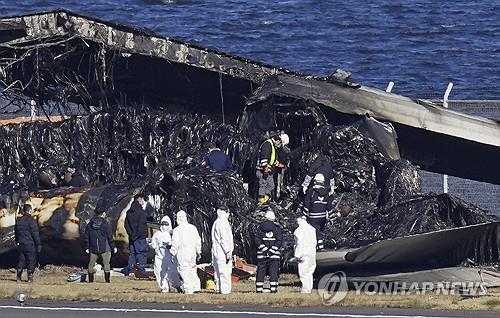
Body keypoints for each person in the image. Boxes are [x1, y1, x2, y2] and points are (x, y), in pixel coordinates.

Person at [171, 210, 202, 294]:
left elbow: (175, 243)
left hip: (183, 253)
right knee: (192, 270)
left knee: (184, 270)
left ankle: (188, 289)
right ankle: (196, 287)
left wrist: (172, 253)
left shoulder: (177, 230)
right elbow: (198, 240)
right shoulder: (192, 228)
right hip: (192, 253)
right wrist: (198, 251)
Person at [83, 209, 117, 283]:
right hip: (105, 248)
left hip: (93, 248)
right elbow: (109, 236)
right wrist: (113, 247)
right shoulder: (105, 223)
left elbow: (86, 237)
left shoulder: (90, 224)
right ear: (102, 214)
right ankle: (107, 280)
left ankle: (91, 280)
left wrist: (87, 247)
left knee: (91, 265)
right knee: (106, 264)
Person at [149, 215, 181, 293]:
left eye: (166, 224)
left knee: (172, 273)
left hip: (169, 257)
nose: (164, 226)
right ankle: (164, 288)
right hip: (159, 257)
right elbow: (153, 245)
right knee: (159, 273)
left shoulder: (173, 234)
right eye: (163, 224)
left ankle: (178, 286)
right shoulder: (157, 234)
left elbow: (176, 244)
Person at [256, 133, 289, 205]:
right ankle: (261, 202)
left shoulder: (273, 146)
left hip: (268, 171)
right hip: (262, 170)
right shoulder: (267, 144)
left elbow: (272, 160)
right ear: (279, 140)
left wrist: (280, 165)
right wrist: (265, 169)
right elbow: (264, 158)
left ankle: (265, 200)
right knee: (263, 185)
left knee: (271, 186)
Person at [303, 173, 333, 250]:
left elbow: (307, 203)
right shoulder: (327, 192)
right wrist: (331, 215)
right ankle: (319, 245)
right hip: (323, 216)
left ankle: (319, 247)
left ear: (315, 181)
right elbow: (329, 205)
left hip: (313, 215)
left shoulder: (311, 191)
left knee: (316, 232)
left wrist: (304, 215)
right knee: (319, 230)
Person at [255, 209, 282, 293]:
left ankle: (259, 289)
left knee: (261, 271)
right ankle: (273, 289)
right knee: (273, 272)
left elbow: (257, 240)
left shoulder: (259, 227)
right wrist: (271, 251)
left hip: (261, 255)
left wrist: (265, 250)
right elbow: (279, 241)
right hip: (274, 256)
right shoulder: (277, 228)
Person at [122, 194, 149, 276]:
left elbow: (126, 224)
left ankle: (130, 268)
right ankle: (141, 269)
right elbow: (141, 225)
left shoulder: (129, 212)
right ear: (139, 199)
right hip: (140, 237)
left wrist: (131, 234)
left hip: (132, 237)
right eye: (142, 199)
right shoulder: (141, 212)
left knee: (132, 254)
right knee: (141, 253)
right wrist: (138, 235)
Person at [15, 204, 41, 283]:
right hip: (30, 244)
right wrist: (39, 244)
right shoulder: (31, 221)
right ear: (30, 210)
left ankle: (18, 277)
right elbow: (35, 233)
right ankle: (30, 277)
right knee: (31, 260)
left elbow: (16, 233)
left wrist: (17, 243)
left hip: (21, 244)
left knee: (21, 260)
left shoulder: (19, 221)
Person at [211, 205, 234, 294]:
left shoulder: (217, 222)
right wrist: (227, 251)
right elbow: (224, 239)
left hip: (218, 250)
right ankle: (225, 290)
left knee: (219, 270)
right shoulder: (222, 223)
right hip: (222, 251)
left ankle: (220, 288)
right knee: (224, 271)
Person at [293, 215, 317, 294]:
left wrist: (297, 254)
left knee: (303, 272)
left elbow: (299, 243)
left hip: (303, 253)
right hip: (312, 252)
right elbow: (314, 242)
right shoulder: (312, 229)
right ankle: (309, 287)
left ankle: (305, 289)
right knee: (310, 271)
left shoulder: (298, 230)